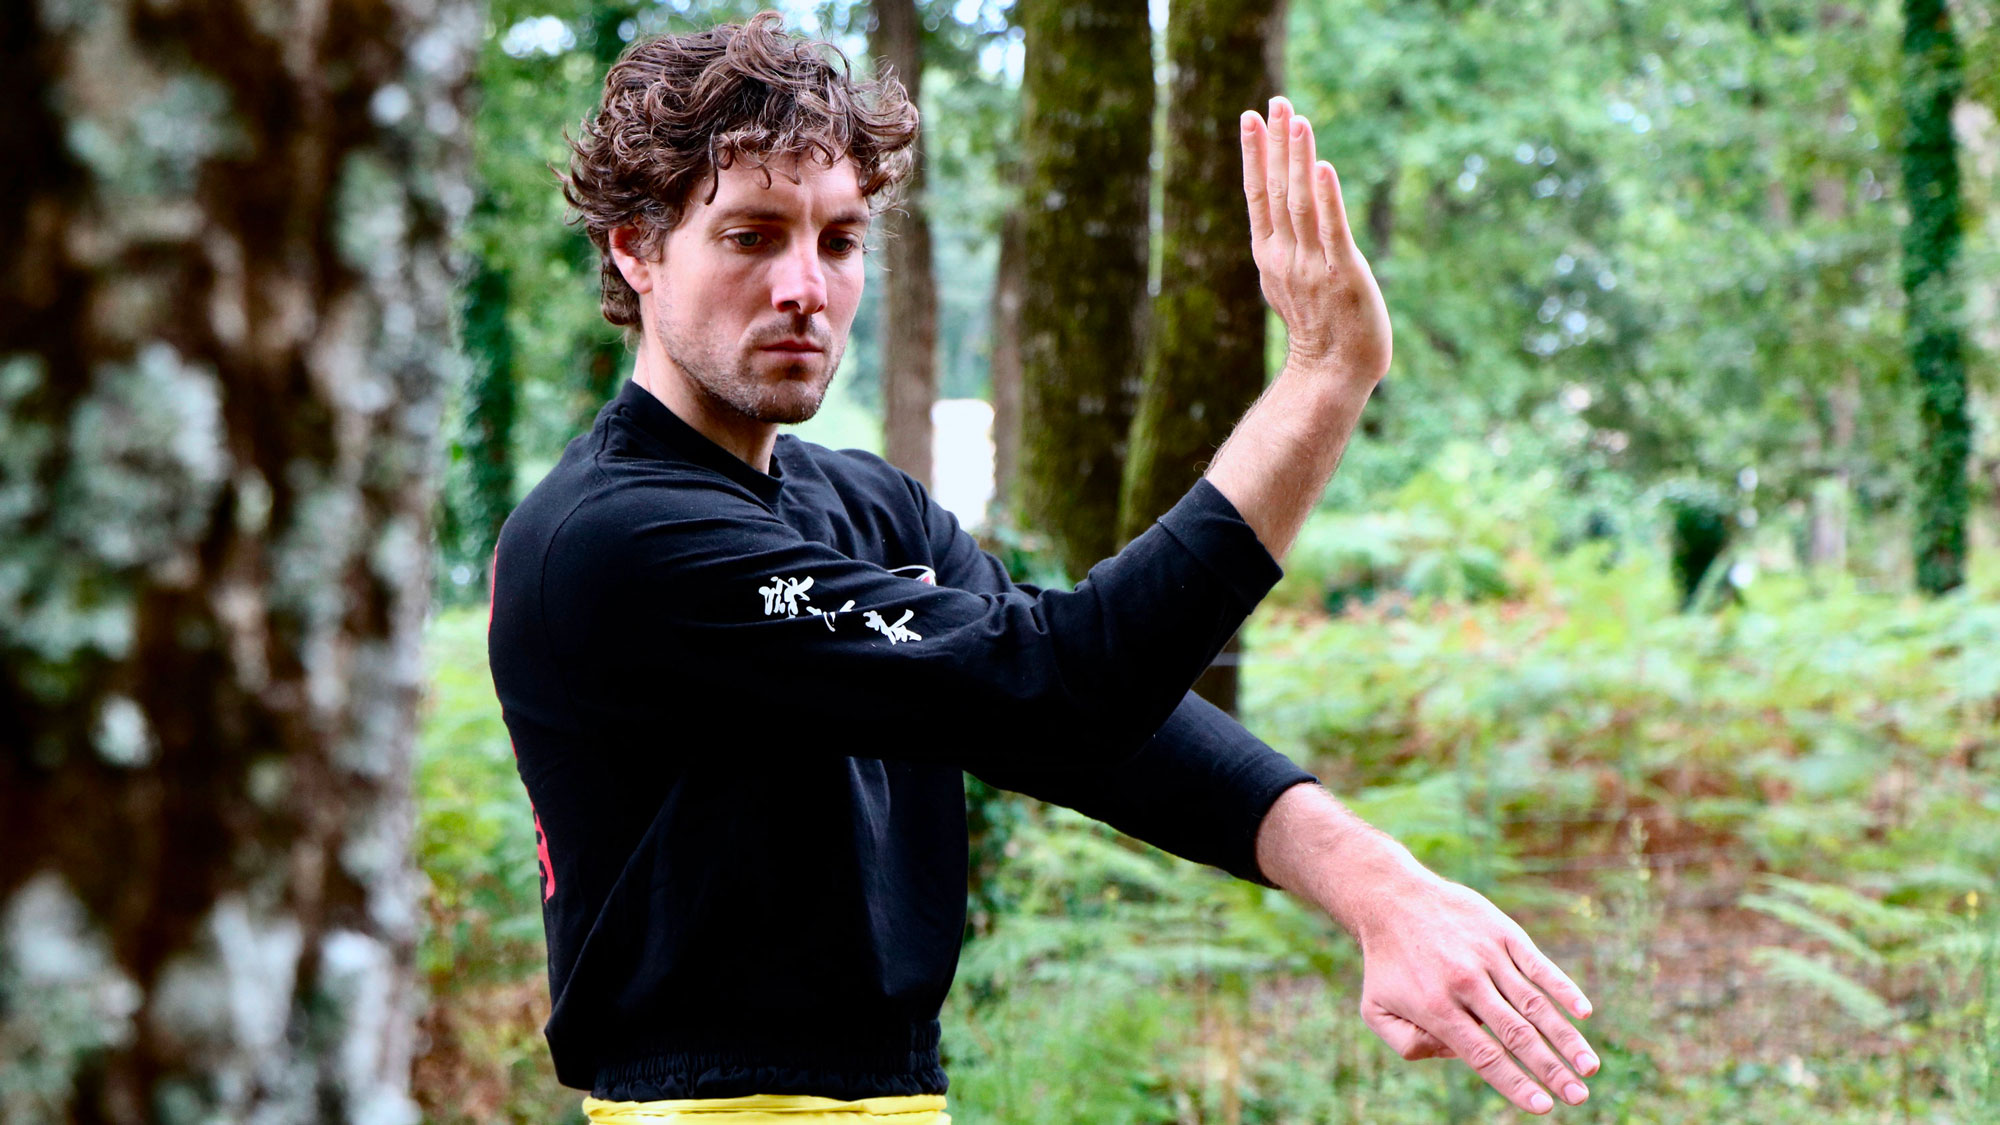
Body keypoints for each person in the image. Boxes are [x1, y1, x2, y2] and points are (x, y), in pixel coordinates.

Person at [488, 12, 1600, 1123]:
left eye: (838, 241)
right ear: (635, 246)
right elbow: (1065, 687)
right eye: (750, 236)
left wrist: (1378, 889)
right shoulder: (615, 539)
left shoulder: (865, 508)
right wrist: (1320, 378)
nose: (804, 288)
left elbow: (1098, 730)